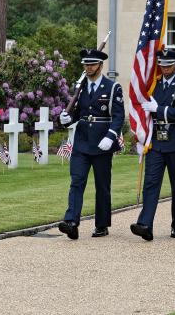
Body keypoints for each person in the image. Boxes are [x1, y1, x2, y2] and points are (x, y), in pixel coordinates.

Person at [58, 48, 126, 240]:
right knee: (77, 181)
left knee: (102, 185)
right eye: (86, 64)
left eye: (92, 64)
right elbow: (79, 112)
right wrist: (66, 119)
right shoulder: (81, 87)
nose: (88, 67)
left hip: (102, 142)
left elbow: (118, 116)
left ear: (100, 66)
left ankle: (102, 224)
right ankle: (71, 221)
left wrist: (111, 136)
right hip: (82, 142)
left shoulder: (112, 88)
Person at [130, 49, 175, 241]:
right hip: (156, 140)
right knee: (151, 183)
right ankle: (145, 224)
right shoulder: (153, 85)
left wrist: (159, 109)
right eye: (162, 65)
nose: (165, 68)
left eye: (169, 65)